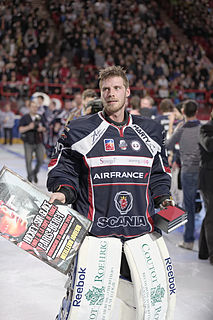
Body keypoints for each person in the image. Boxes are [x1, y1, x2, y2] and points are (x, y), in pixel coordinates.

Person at [47, 66, 174, 318]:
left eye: (116, 88)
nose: (111, 93)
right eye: (106, 89)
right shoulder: (79, 129)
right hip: (96, 236)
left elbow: (159, 173)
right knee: (86, 306)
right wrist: (63, 191)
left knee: (139, 305)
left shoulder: (150, 131)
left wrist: (163, 197)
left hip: (140, 235)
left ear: (127, 92)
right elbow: (64, 169)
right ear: (101, 93)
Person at [166, 100, 201, 250]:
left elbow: (167, 145)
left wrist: (173, 128)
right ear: (197, 112)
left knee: (189, 206)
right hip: (203, 170)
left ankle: (188, 241)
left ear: (183, 112)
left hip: (188, 172)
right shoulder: (202, 128)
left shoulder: (181, 128)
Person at [198, 109, 213, 265]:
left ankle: (203, 251)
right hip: (208, 178)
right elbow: (209, 145)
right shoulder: (205, 128)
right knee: (211, 216)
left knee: (209, 214)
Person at [19, 100, 46, 183]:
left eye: (36, 107)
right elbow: (20, 130)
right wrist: (29, 127)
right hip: (28, 142)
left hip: (39, 142)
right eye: (33, 106)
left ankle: (34, 173)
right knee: (28, 160)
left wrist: (42, 129)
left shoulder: (40, 117)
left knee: (41, 160)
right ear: (29, 107)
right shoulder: (24, 117)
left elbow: (45, 128)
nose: (35, 108)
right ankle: (30, 178)